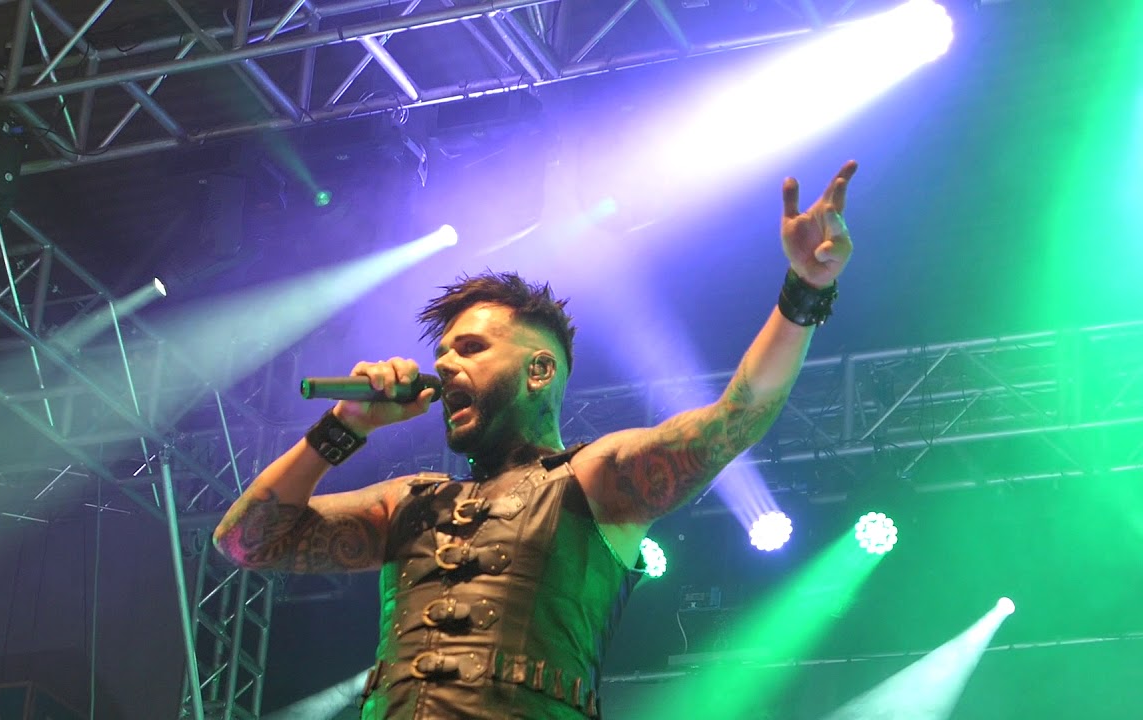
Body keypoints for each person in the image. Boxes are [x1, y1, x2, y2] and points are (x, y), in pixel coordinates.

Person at [212, 160, 859, 719]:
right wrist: (344, 427)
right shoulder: (410, 502)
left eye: (471, 348)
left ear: (539, 371)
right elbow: (244, 541)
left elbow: (736, 418)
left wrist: (805, 290)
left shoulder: (594, 479)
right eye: (442, 353)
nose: (446, 365)